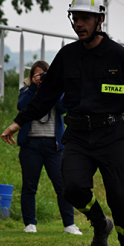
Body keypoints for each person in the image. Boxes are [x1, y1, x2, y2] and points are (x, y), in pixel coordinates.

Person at [1, 0, 124, 246]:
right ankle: (101, 224)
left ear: (99, 20)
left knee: (120, 198)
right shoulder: (67, 56)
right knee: (72, 188)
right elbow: (45, 96)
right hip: (76, 135)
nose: (79, 23)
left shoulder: (118, 55)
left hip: (111, 135)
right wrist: (19, 121)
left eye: (85, 18)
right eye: (75, 18)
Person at [17, 60, 81, 235]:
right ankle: (30, 223)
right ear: (31, 76)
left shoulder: (57, 91)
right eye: (37, 74)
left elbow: (63, 108)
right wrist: (34, 89)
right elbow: (22, 107)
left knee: (62, 185)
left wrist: (51, 88)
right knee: (29, 186)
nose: (40, 77)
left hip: (55, 145)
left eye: (43, 74)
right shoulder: (26, 91)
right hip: (31, 144)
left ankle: (69, 224)